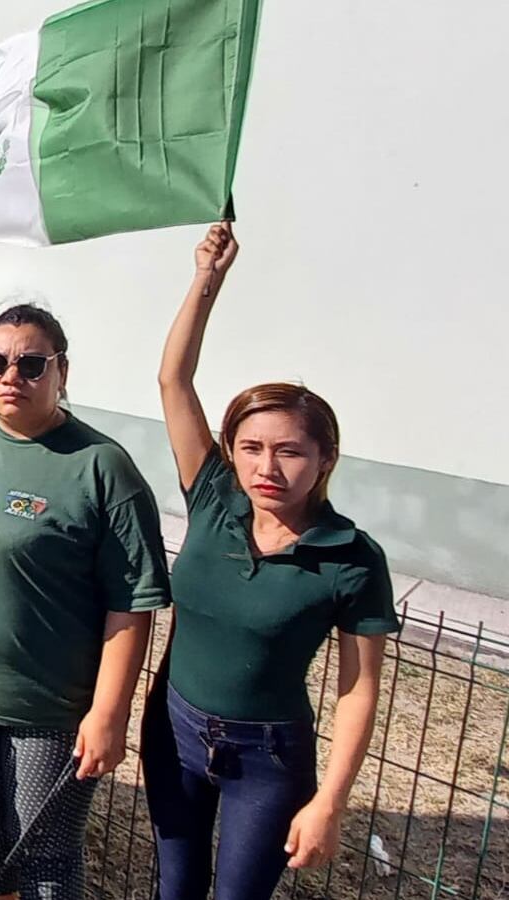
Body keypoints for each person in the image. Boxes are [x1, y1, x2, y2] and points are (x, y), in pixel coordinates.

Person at [144, 224, 396, 898]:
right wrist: (208, 277)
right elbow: (174, 378)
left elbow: (357, 690)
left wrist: (330, 803)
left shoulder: (350, 558)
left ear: (324, 459)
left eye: (289, 451)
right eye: (251, 447)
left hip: (270, 757)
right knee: (175, 887)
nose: (267, 467)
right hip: (174, 730)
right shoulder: (214, 497)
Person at [0, 303, 169, 899]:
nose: (12, 376)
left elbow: (132, 606)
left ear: (63, 371)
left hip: (49, 705)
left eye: (33, 364)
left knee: (45, 850)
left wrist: (108, 714)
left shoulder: (101, 467)